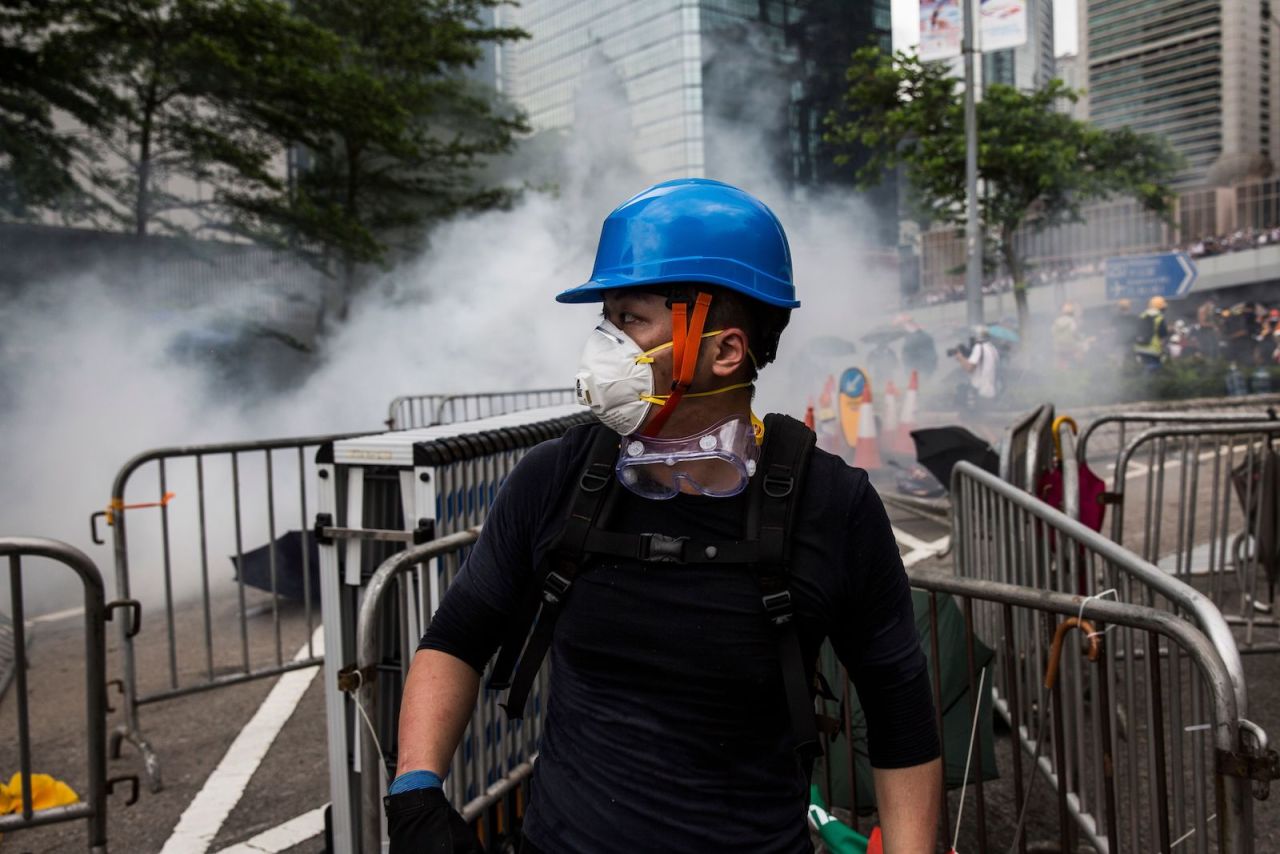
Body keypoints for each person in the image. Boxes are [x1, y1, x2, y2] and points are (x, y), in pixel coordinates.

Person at [385, 179, 943, 854]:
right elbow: (457, 637)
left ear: (725, 351)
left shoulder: (831, 507)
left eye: (631, 320)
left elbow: (899, 708)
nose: (604, 345)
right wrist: (415, 789)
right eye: (606, 319)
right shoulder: (555, 478)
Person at [955, 325, 1000, 406]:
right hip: (990, 391)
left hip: (979, 392)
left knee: (972, 416)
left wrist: (960, 358)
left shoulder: (978, 347)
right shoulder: (992, 348)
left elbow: (969, 368)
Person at [896, 313, 939, 378]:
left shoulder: (920, 337)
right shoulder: (912, 337)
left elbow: (929, 354)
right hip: (918, 367)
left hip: (920, 367)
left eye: (902, 325)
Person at [1133, 295, 1170, 370]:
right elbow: (1162, 337)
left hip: (1139, 348)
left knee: (1141, 369)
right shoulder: (1159, 318)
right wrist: (1163, 350)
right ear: (1161, 307)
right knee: (1154, 371)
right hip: (1153, 350)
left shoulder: (1142, 316)